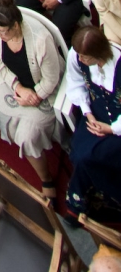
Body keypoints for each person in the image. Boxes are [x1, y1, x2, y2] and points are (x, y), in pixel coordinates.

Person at [0, 0, 63, 197]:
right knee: (3, 112)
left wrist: (33, 95)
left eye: (2, 31)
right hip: (15, 85)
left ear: (16, 25)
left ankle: (46, 179)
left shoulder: (40, 39)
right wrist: (18, 88)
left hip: (42, 91)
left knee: (26, 137)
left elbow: (51, 80)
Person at [63, 23, 121, 221]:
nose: (80, 59)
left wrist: (111, 129)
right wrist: (88, 113)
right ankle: (87, 198)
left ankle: (81, 200)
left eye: (85, 57)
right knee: (79, 152)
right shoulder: (77, 55)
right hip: (95, 116)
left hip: (117, 128)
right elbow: (75, 83)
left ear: (99, 54)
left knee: (88, 156)